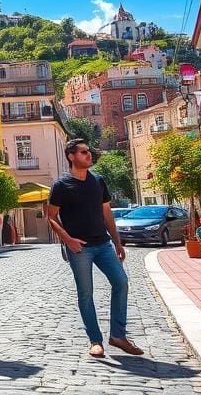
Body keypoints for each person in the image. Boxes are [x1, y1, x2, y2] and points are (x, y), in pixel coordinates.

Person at [48, 138, 144, 359]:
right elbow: (51, 217)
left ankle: (118, 336)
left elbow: (107, 213)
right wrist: (68, 239)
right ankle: (95, 341)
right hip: (79, 249)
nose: (88, 154)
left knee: (121, 282)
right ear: (71, 156)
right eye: (83, 152)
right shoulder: (61, 186)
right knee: (86, 294)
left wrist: (117, 242)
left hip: (103, 244)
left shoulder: (98, 181)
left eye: (88, 151)